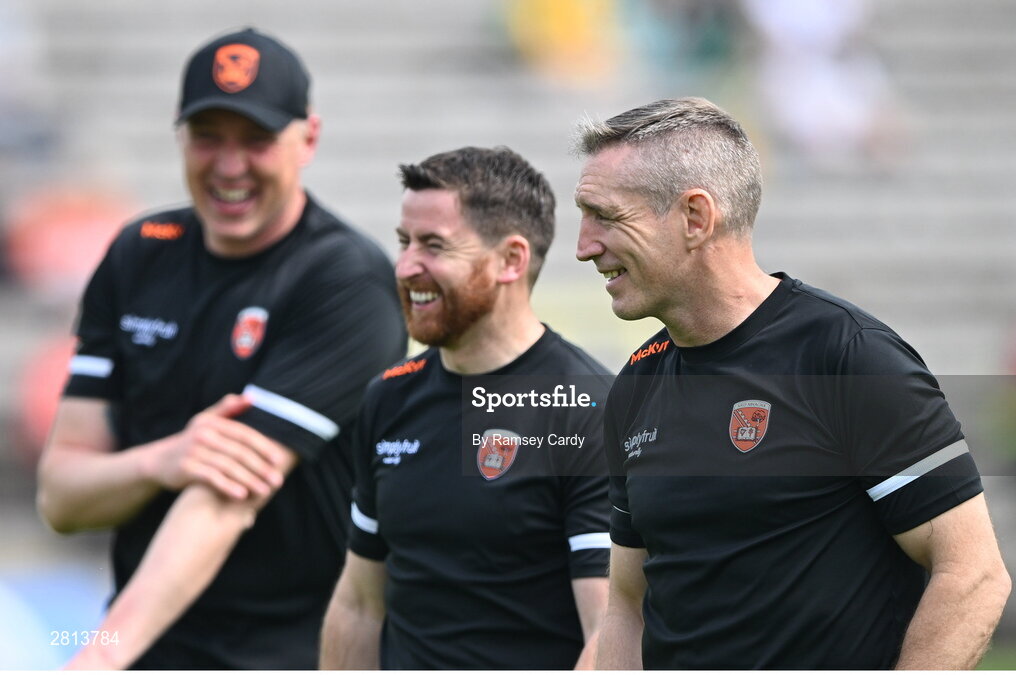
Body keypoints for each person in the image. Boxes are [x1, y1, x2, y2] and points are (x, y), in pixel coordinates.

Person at [572, 97, 1011, 669]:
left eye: (605, 217)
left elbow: (973, 574)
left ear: (696, 219)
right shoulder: (638, 381)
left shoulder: (846, 356)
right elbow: (627, 603)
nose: (584, 246)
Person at [35, 28, 407, 669]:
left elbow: (225, 499)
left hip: (297, 645)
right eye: (209, 137)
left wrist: (94, 661)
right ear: (181, 137)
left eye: (257, 140)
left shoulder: (345, 278)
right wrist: (161, 460)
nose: (230, 166)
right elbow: (61, 498)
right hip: (152, 636)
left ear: (308, 139)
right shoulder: (139, 251)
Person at [319, 146, 612, 669]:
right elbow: (359, 604)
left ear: (511, 260)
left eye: (434, 246)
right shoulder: (389, 398)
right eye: (404, 242)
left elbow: (609, 635)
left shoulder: (588, 408)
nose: (406, 266)